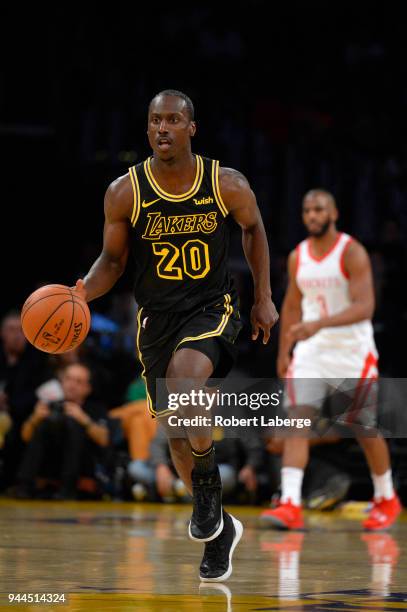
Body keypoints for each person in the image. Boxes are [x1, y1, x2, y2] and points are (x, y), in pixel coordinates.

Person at [72, 89, 278, 581]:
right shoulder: (125, 191)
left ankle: (208, 493)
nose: (162, 128)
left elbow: (254, 231)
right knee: (177, 440)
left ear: (192, 128)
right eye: (154, 121)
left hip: (211, 308)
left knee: (189, 383)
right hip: (157, 321)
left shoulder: (224, 183)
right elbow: (114, 262)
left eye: (172, 120)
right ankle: (219, 528)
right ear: (147, 130)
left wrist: (264, 297)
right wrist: (80, 291)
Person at [260, 189, 401, 530]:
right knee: (297, 420)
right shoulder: (298, 256)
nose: (312, 215)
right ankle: (290, 502)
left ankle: (387, 497)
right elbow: (292, 305)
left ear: (333, 213)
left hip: (352, 351)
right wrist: (283, 351)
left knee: (362, 429)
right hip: (311, 351)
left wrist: (317, 325)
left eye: (319, 209)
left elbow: (365, 306)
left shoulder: (350, 252)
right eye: (307, 210)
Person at [17, 363, 109, 499]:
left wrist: (83, 419)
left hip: (80, 469)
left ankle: (68, 487)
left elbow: (104, 440)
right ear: (61, 381)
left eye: (78, 381)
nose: (71, 385)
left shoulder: (95, 408)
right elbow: (25, 437)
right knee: (43, 425)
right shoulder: (48, 404)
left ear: (88, 388)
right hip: (50, 465)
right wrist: (35, 418)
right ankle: (24, 486)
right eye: (68, 379)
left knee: (73, 424)